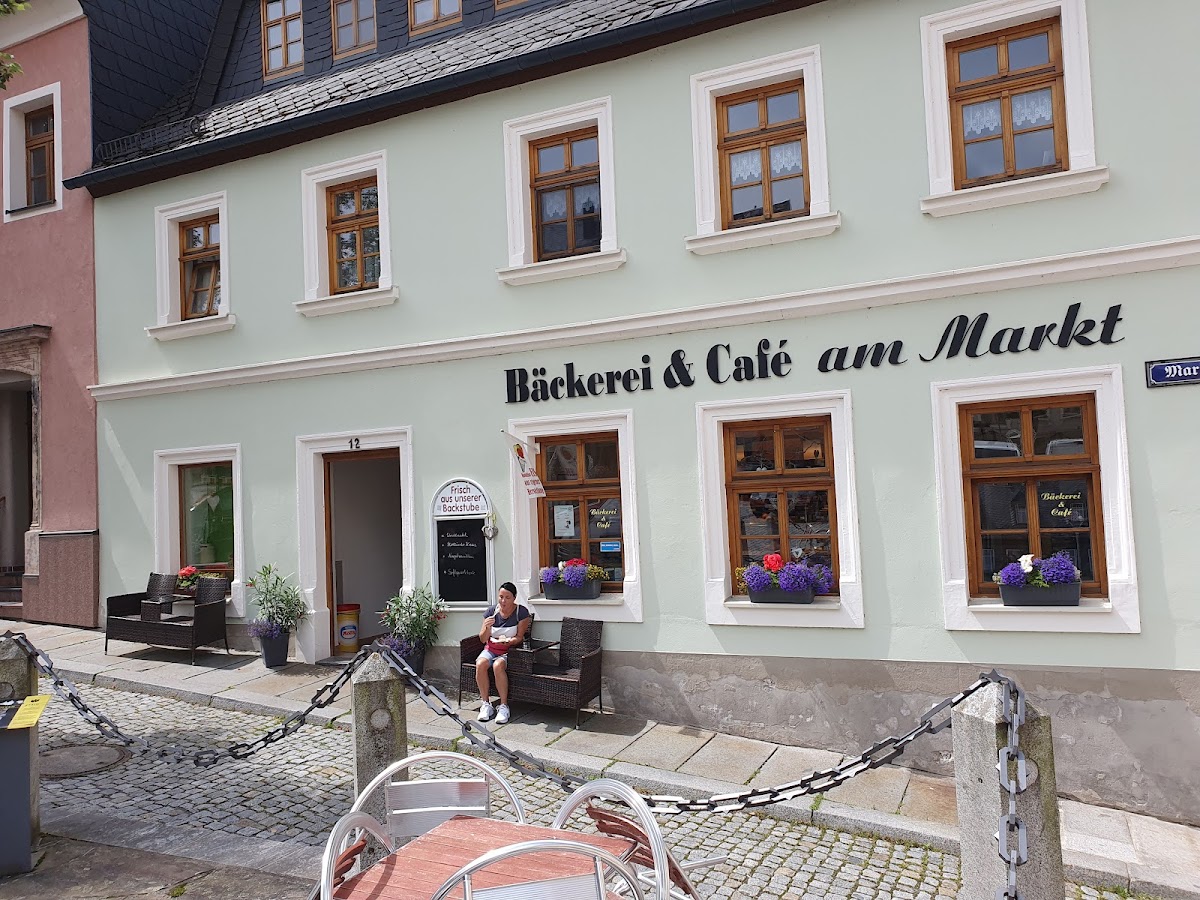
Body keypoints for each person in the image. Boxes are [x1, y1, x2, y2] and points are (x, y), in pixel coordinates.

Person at [475, 581, 531, 725]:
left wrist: (510, 641)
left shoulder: (521, 612)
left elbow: (520, 637)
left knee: (498, 666)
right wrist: (487, 627)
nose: (503, 601)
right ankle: (486, 704)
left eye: (507, 597)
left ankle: (504, 706)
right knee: (480, 663)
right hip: (491, 649)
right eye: (501, 597)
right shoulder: (491, 612)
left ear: (514, 598)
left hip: (510, 651)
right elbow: (482, 639)